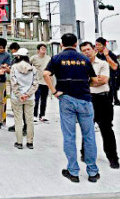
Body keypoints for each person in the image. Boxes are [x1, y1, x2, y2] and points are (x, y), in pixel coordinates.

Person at [43, 33, 102, 183]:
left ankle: (73, 171)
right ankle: (93, 172)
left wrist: (54, 91)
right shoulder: (84, 59)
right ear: (76, 44)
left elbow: (45, 74)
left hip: (66, 99)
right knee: (89, 136)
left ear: (62, 44)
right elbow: (95, 80)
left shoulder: (56, 58)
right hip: (85, 100)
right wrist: (83, 84)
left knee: (69, 136)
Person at [79, 41, 120, 169]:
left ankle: (113, 158)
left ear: (94, 50)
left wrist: (86, 81)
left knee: (107, 129)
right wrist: (93, 80)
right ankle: (85, 153)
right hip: (87, 100)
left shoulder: (102, 64)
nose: (86, 52)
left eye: (88, 49)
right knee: (87, 128)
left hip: (103, 99)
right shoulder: (80, 66)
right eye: (83, 50)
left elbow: (103, 81)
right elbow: (81, 82)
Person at [9, 48, 38, 149]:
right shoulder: (33, 68)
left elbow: (13, 83)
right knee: (29, 120)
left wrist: (19, 95)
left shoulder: (14, 67)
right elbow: (35, 84)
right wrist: (28, 94)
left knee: (18, 120)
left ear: (18, 56)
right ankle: (30, 142)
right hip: (30, 98)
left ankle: (19, 142)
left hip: (16, 98)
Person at [95, 37, 120, 107]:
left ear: (104, 45)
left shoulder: (110, 54)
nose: (97, 47)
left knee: (108, 101)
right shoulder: (96, 55)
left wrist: (107, 56)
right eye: (96, 45)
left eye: (99, 45)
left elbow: (115, 67)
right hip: (98, 80)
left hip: (109, 80)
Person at [0, 38, 12, 130]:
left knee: (0, 101)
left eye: (3, 47)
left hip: (1, 80)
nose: (2, 49)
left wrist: (4, 68)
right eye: (0, 47)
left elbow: (7, 68)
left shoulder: (7, 55)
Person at [30, 44, 52, 123]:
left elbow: (51, 68)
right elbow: (28, 67)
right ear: (38, 50)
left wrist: (51, 76)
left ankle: (42, 115)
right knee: (36, 99)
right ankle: (34, 115)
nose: (44, 50)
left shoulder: (48, 58)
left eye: (45, 49)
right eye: (42, 48)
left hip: (46, 82)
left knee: (44, 100)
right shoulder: (33, 58)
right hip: (37, 82)